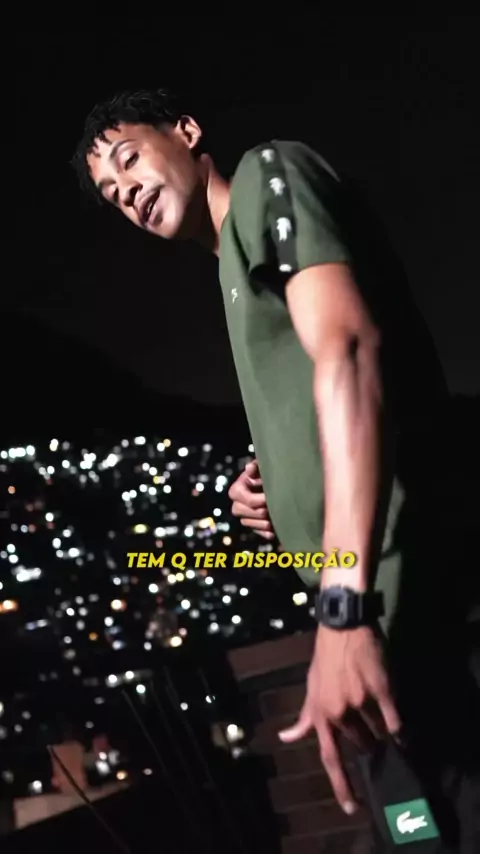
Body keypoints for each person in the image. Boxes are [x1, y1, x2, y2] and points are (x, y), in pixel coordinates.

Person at [73, 89, 479, 851]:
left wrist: (343, 611)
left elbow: (349, 350)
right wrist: (280, 488)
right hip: (382, 630)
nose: (126, 192)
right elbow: (321, 388)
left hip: (423, 606)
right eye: (111, 193)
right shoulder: (232, 267)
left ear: (186, 131)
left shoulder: (269, 173)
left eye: (129, 160)